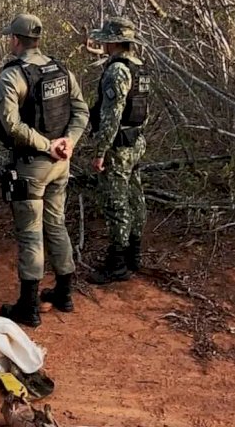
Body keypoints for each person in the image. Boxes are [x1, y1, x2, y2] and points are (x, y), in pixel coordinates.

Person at [0, 14, 89, 327]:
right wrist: (68, 142)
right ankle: (64, 293)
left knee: (31, 234)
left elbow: (11, 124)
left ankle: (29, 306)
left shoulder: (13, 76)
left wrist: (47, 145)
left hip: (33, 165)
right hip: (61, 164)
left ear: (16, 40)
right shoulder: (60, 69)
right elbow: (80, 111)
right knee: (57, 224)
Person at [87, 17, 150, 285]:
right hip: (136, 141)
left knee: (116, 202)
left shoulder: (117, 71)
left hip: (119, 145)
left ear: (113, 41)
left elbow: (111, 115)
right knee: (136, 196)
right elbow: (143, 109)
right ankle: (133, 254)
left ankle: (118, 263)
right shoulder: (140, 68)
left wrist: (101, 150)